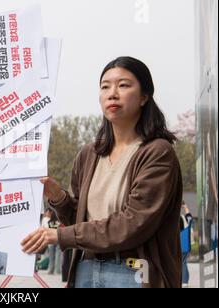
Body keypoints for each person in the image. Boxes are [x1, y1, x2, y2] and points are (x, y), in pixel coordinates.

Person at [21, 57, 183, 288]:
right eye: (105, 86)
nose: (112, 93)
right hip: (86, 270)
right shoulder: (89, 154)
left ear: (145, 96)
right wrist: (59, 198)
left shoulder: (157, 152)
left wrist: (60, 236)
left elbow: (134, 223)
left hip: (134, 273)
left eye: (124, 85)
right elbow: (81, 220)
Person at [180, 201, 193, 287]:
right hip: (186, 247)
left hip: (177, 247)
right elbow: (189, 216)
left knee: (180, 264)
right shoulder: (187, 224)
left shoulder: (176, 225)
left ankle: (182, 281)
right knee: (184, 263)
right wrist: (185, 207)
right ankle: (185, 282)